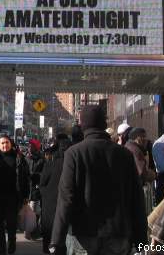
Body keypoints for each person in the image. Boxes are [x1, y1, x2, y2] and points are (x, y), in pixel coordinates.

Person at [50, 105, 147, 255]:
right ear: (104, 124)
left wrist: (56, 240)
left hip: (83, 233)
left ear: (83, 125)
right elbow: (136, 198)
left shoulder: (74, 154)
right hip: (118, 233)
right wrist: (141, 242)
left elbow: (66, 198)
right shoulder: (124, 154)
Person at [39, 139, 71, 255]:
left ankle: (50, 249)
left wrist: (45, 194)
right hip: (66, 204)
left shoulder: (50, 165)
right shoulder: (73, 164)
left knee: (49, 231)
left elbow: (42, 183)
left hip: (50, 204)